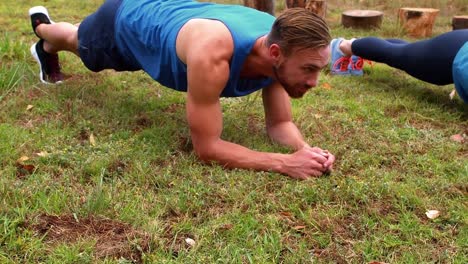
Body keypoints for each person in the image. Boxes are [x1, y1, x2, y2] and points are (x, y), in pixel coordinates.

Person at [28, 0, 336, 180]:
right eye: (308, 69)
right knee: (78, 42)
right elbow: (207, 148)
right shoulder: (213, 54)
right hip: (124, 23)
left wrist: (304, 151)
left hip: (167, 18)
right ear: (274, 54)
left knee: (79, 40)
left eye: (318, 69)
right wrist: (283, 164)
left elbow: (280, 124)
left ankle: (48, 37)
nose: (313, 82)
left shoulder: (280, 46)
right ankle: (42, 31)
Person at [329, 30, 468, 103]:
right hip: (459, 52)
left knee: (403, 51)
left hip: (458, 47)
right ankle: (344, 47)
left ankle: (360, 50)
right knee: (399, 54)